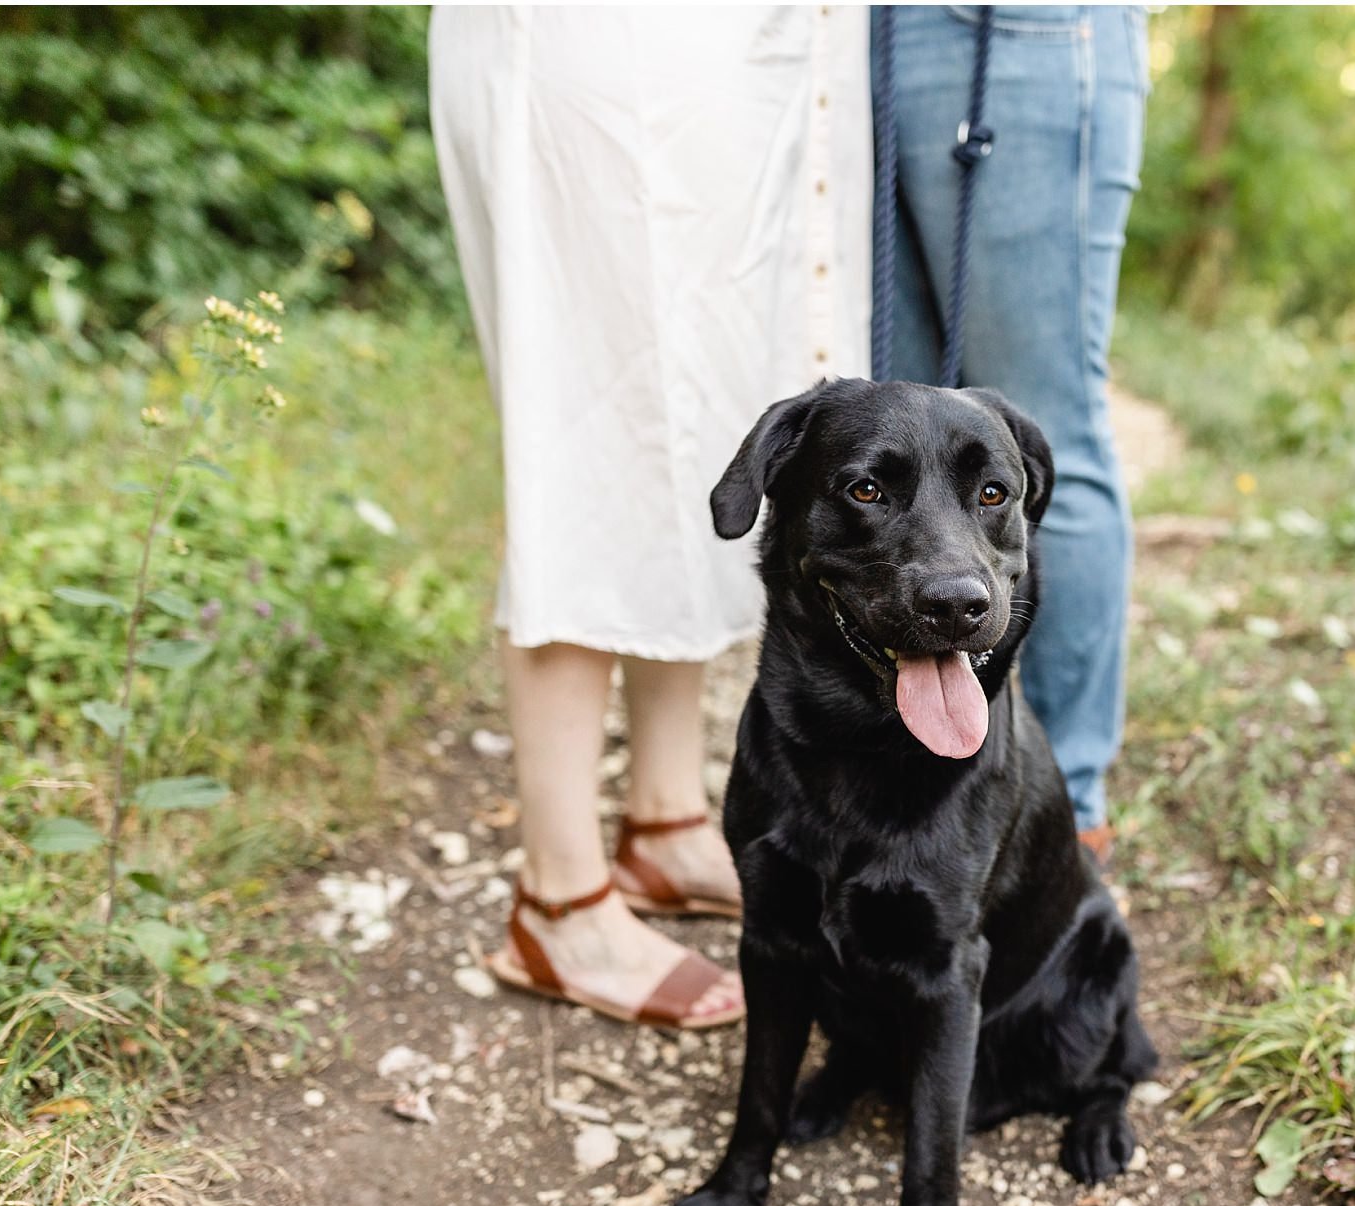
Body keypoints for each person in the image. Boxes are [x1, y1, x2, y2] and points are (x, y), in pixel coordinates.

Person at [429, 7, 871, 1028]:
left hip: (742, 60)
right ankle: (560, 898)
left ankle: (664, 820)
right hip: (605, 46)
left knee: (695, 425)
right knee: (586, 442)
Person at [880, 5, 1148, 859]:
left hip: (1010, 29)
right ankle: (917, 785)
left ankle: (1062, 810)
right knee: (901, 431)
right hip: (848, 41)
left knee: (1036, 430)